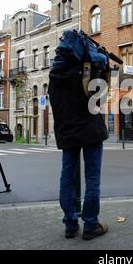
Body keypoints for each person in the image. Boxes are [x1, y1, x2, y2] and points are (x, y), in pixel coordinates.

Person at [49, 55, 109, 240]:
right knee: (92, 178)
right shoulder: (86, 72)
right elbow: (101, 99)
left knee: (66, 177)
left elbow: (55, 105)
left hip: (67, 132)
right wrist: (104, 71)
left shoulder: (55, 76)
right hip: (91, 130)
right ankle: (91, 224)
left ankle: (70, 223)